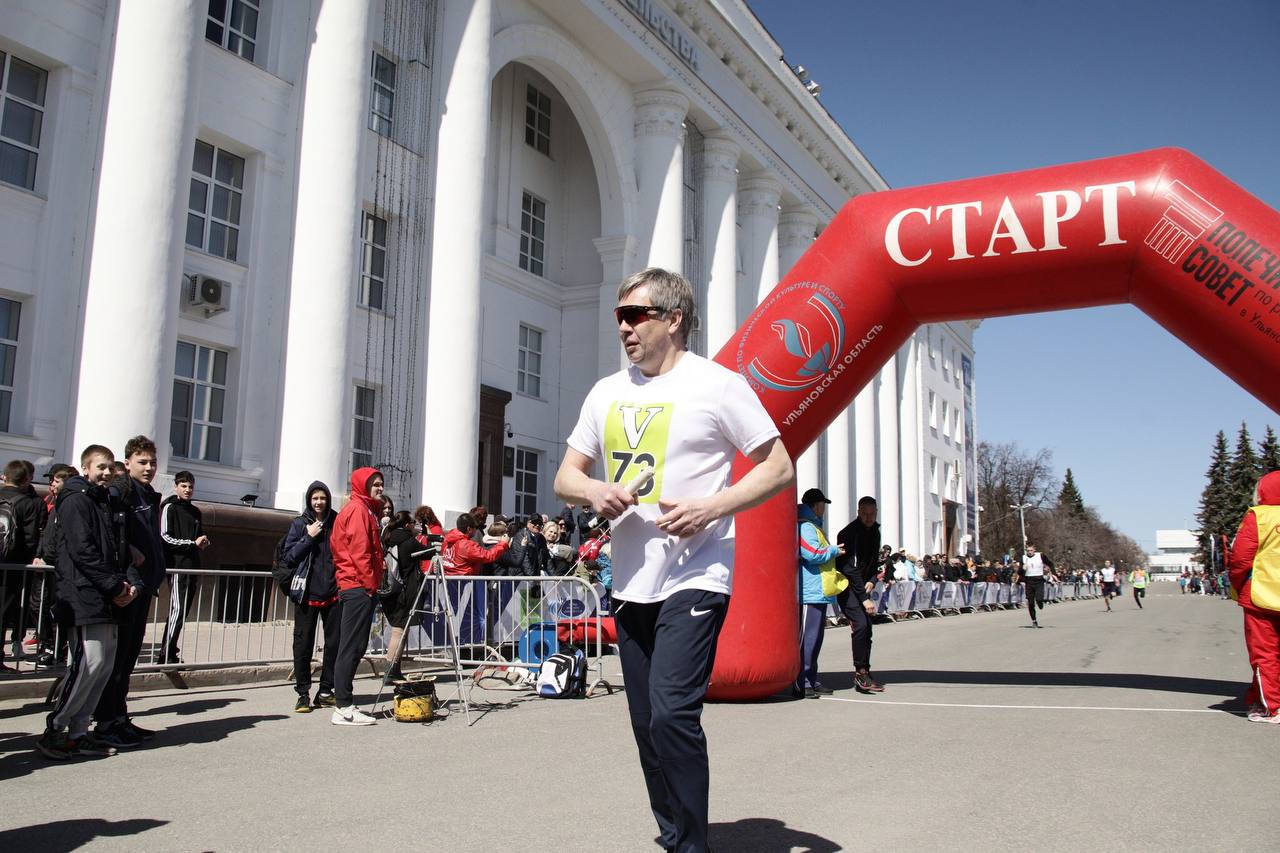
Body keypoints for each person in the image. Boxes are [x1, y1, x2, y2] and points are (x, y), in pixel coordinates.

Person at [554, 267, 792, 853]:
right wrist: (594, 492)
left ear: (674, 319)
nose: (624, 328)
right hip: (630, 580)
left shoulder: (718, 385)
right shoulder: (605, 392)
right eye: (620, 316)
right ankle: (674, 833)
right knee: (644, 724)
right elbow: (565, 477)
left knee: (671, 715)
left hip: (696, 573)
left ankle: (692, 845)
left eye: (636, 315)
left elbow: (778, 466)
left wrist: (713, 507)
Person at [36, 445, 131, 759]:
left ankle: (79, 732)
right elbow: (82, 550)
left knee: (102, 666)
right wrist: (113, 585)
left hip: (103, 593)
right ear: (86, 467)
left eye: (110, 467)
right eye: (100, 467)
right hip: (82, 593)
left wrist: (123, 584)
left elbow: (113, 549)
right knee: (87, 663)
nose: (106, 473)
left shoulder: (102, 500)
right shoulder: (76, 500)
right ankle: (56, 728)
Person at [93, 435, 165, 749]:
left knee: (128, 659)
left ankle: (120, 718)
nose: (149, 468)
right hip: (128, 587)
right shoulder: (120, 491)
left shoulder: (146, 494)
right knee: (117, 660)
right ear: (128, 463)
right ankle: (106, 722)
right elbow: (110, 535)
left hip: (145, 585)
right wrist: (128, 562)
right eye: (142, 462)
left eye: (152, 462)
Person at [329, 467, 386, 726]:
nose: (379, 488)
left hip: (358, 585)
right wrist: (369, 584)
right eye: (375, 484)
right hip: (357, 586)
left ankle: (344, 703)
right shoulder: (358, 510)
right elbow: (359, 551)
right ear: (363, 485)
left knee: (356, 645)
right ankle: (343, 706)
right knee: (351, 647)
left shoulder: (364, 510)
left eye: (381, 483)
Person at [280, 481, 339, 713]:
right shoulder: (299, 523)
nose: (319, 502)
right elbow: (289, 557)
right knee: (303, 644)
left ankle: (325, 690)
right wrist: (309, 537)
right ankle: (303, 693)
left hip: (333, 592)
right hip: (306, 593)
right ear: (309, 500)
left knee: (334, 643)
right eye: (315, 498)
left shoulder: (336, 521)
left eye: (322, 498)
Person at [1228, 470, 1280, 723]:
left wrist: (1237, 585)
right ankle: (1263, 699)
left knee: (1264, 654)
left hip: (1262, 596)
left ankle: (1272, 706)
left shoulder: (1258, 516)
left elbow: (1240, 558)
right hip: (1261, 595)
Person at [158, 470, 211, 664]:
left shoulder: (195, 511)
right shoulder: (169, 507)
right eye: (183, 486)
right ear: (176, 487)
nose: (187, 490)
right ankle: (165, 654)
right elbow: (165, 537)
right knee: (177, 610)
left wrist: (203, 541)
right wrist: (191, 543)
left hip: (192, 566)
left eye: (190, 486)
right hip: (177, 566)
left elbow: (198, 536)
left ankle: (171, 651)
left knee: (183, 611)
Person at [0, 458, 48, 670]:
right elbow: (31, 540)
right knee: (3, 612)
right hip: (13, 567)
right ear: (27, 479)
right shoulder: (29, 503)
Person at [835, 496, 885, 693]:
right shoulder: (849, 533)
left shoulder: (875, 531)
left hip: (863, 586)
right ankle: (860, 672)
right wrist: (864, 599)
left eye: (872, 514)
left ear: (876, 512)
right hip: (847, 587)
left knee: (867, 629)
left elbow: (873, 563)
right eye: (864, 514)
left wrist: (872, 580)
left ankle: (865, 670)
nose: (868, 518)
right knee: (861, 625)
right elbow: (850, 568)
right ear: (858, 512)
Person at [796, 488, 841, 698]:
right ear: (816, 505)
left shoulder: (812, 526)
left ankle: (811, 678)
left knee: (814, 640)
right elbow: (811, 553)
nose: (824, 508)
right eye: (823, 504)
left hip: (817, 591)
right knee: (808, 639)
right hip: (810, 591)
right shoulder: (806, 526)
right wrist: (834, 550)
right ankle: (802, 681)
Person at [30, 464, 75, 668]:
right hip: (45, 564)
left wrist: (51, 558)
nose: (52, 485)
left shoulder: (69, 504)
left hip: (58, 566)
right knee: (38, 605)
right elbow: (46, 534)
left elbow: (63, 538)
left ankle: (57, 648)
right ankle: (47, 644)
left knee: (55, 609)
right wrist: (39, 555)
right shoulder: (55, 503)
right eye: (51, 481)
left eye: (56, 481)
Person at [440, 512, 509, 576]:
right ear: (469, 529)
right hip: (464, 582)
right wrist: (503, 543)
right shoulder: (466, 545)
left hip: (447, 580)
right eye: (475, 527)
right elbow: (488, 556)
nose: (476, 530)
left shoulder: (446, 541)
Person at [1020, 543, 1055, 627]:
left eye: (1031, 550)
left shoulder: (1040, 555)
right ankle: (1034, 621)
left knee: (1039, 598)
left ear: (1034, 550)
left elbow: (1050, 564)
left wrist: (1053, 573)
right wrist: (1022, 569)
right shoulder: (1024, 558)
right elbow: (1019, 572)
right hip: (1029, 581)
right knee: (1030, 602)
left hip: (1039, 580)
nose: (1029, 552)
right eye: (1028, 551)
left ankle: (1040, 603)